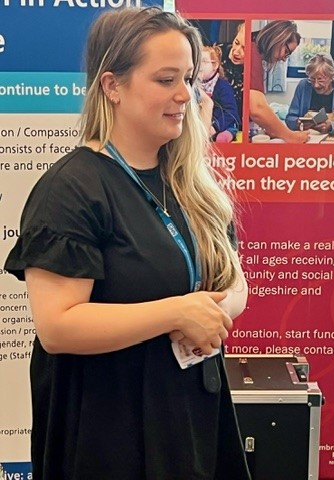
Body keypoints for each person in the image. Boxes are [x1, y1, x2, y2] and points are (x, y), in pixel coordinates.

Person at [3, 7, 251, 480]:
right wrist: (177, 313)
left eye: (188, 77)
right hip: (107, 430)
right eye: (165, 80)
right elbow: (58, 327)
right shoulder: (72, 189)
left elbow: (231, 278)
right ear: (112, 86)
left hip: (189, 413)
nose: (184, 95)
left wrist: (213, 310)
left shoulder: (189, 181)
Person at [249, 20, 309, 143]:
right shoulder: (252, 53)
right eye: (286, 52)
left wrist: (273, 128)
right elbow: (257, 108)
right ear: (278, 39)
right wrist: (291, 136)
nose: (283, 58)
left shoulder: (255, 51)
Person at [285, 53, 334, 135]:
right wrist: (300, 124)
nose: (316, 84)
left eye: (320, 80)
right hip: (307, 137)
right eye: (312, 79)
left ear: (331, 76)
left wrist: (331, 127)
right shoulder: (303, 85)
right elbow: (289, 119)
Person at [199, 45, 240, 142]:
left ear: (215, 65)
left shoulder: (223, 86)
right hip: (202, 126)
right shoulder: (193, 86)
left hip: (224, 124)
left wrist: (215, 127)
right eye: (196, 61)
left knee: (221, 138)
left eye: (204, 61)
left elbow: (231, 112)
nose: (199, 65)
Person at [218, 21, 245, 119]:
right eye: (236, 43)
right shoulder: (217, 52)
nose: (236, 51)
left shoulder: (251, 71)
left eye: (244, 49)